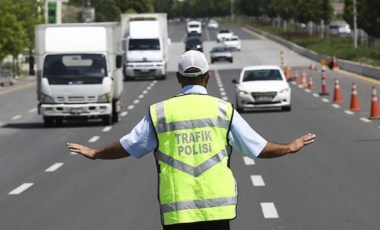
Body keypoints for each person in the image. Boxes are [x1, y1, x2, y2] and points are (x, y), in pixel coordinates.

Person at [67, 50, 315, 230]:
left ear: (178, 78)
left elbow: (129, 145)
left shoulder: (160, 112)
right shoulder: (223, 110)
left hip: (178, 212)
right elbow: (258, 148)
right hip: (218, 211)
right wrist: (290, 147)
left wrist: (96, 153)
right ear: (207, 77)